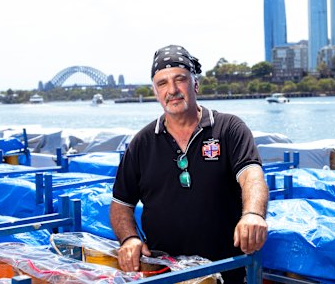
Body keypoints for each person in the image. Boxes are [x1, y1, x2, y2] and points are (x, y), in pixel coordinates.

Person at [110, 45, 269, 283]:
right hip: (165, 275)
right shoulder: (142, 143)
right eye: (162, 83)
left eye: (180, 80)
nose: (172, 90)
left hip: (226, 271)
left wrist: (254, 214)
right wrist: (130, 238)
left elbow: (252, 176)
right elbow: (121, 203)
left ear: (195, 84)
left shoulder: (229, 128)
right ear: (155, 92)